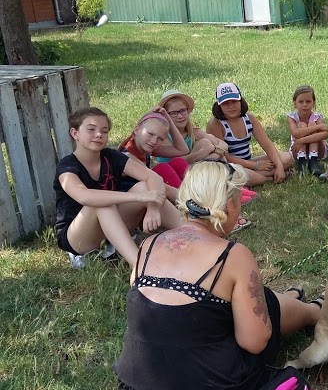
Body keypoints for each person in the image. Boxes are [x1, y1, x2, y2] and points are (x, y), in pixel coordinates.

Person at [114, 160, 322, 390]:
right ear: (231, 204)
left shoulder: (148, 245)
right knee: (265, 304)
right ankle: (314, 311)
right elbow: (255, 343)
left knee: (232, 303)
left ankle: (295, 301)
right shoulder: (232, 256)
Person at [54, 107, 183, 269]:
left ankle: (197, 235)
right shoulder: (67, 166)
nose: (99, 134)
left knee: (143, 186)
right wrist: (138, 198)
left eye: (104, 130)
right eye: (91, 129)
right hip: (78, 237)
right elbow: (84, 196)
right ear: (75, 133)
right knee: (101, 204)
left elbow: (153, 177)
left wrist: (153, 207)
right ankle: (139, 266)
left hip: (112, 227)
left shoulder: (111, 156)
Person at [157, 89, 257, 206]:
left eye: (183, 111)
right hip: (174, 177)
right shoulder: (164, 136)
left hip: (191, 173)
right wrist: (206, 152)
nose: (180, 116)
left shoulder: (193, 131)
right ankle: (229, 190)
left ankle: (230, 188)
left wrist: (213, 152)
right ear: (166, 116)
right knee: (206, 148)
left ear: (188, 111)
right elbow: (178, 162)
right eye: (173, 113)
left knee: (205, 143)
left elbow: (223, 145)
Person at [206, 82, 293, 186]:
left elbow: (267, 144)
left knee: (286, 158)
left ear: (241, 101)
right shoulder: (215, 124)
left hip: (247, 162)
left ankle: (260, 177)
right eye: (225, 103)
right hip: (229, 166)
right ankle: (267, 178)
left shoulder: (249, 118)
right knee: (237, 175)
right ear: (219, 106)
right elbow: (224, 157)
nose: (231, 106)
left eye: (234, 101)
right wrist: (255, 165)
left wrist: (279, 166)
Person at [119, 109, 190, 203]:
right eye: (150, 134)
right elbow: (160, 184)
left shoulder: (146, 148)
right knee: (162, 168)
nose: (153, 141)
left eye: (160, 138)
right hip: (133, 203)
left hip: (150, 194)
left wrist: (169, 120)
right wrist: (192, 202)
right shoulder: (127, 156)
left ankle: (200, 192)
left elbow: (182, 150)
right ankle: (192, 202)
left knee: (177, 162)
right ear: (137, 130)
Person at [287, 85, 328, 177]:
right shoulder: (292, 117)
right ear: (295, 103)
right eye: (301, 102)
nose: (305, 105)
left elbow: (325, 134)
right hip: (297, 149)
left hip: (318, 151)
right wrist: (318, 127)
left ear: (313, 103)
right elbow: (296, 133)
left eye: (308, 101)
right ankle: (302, 162)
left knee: (311, 124)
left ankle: (313, 161)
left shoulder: (317, 117)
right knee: (302, 125)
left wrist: (301, 141)